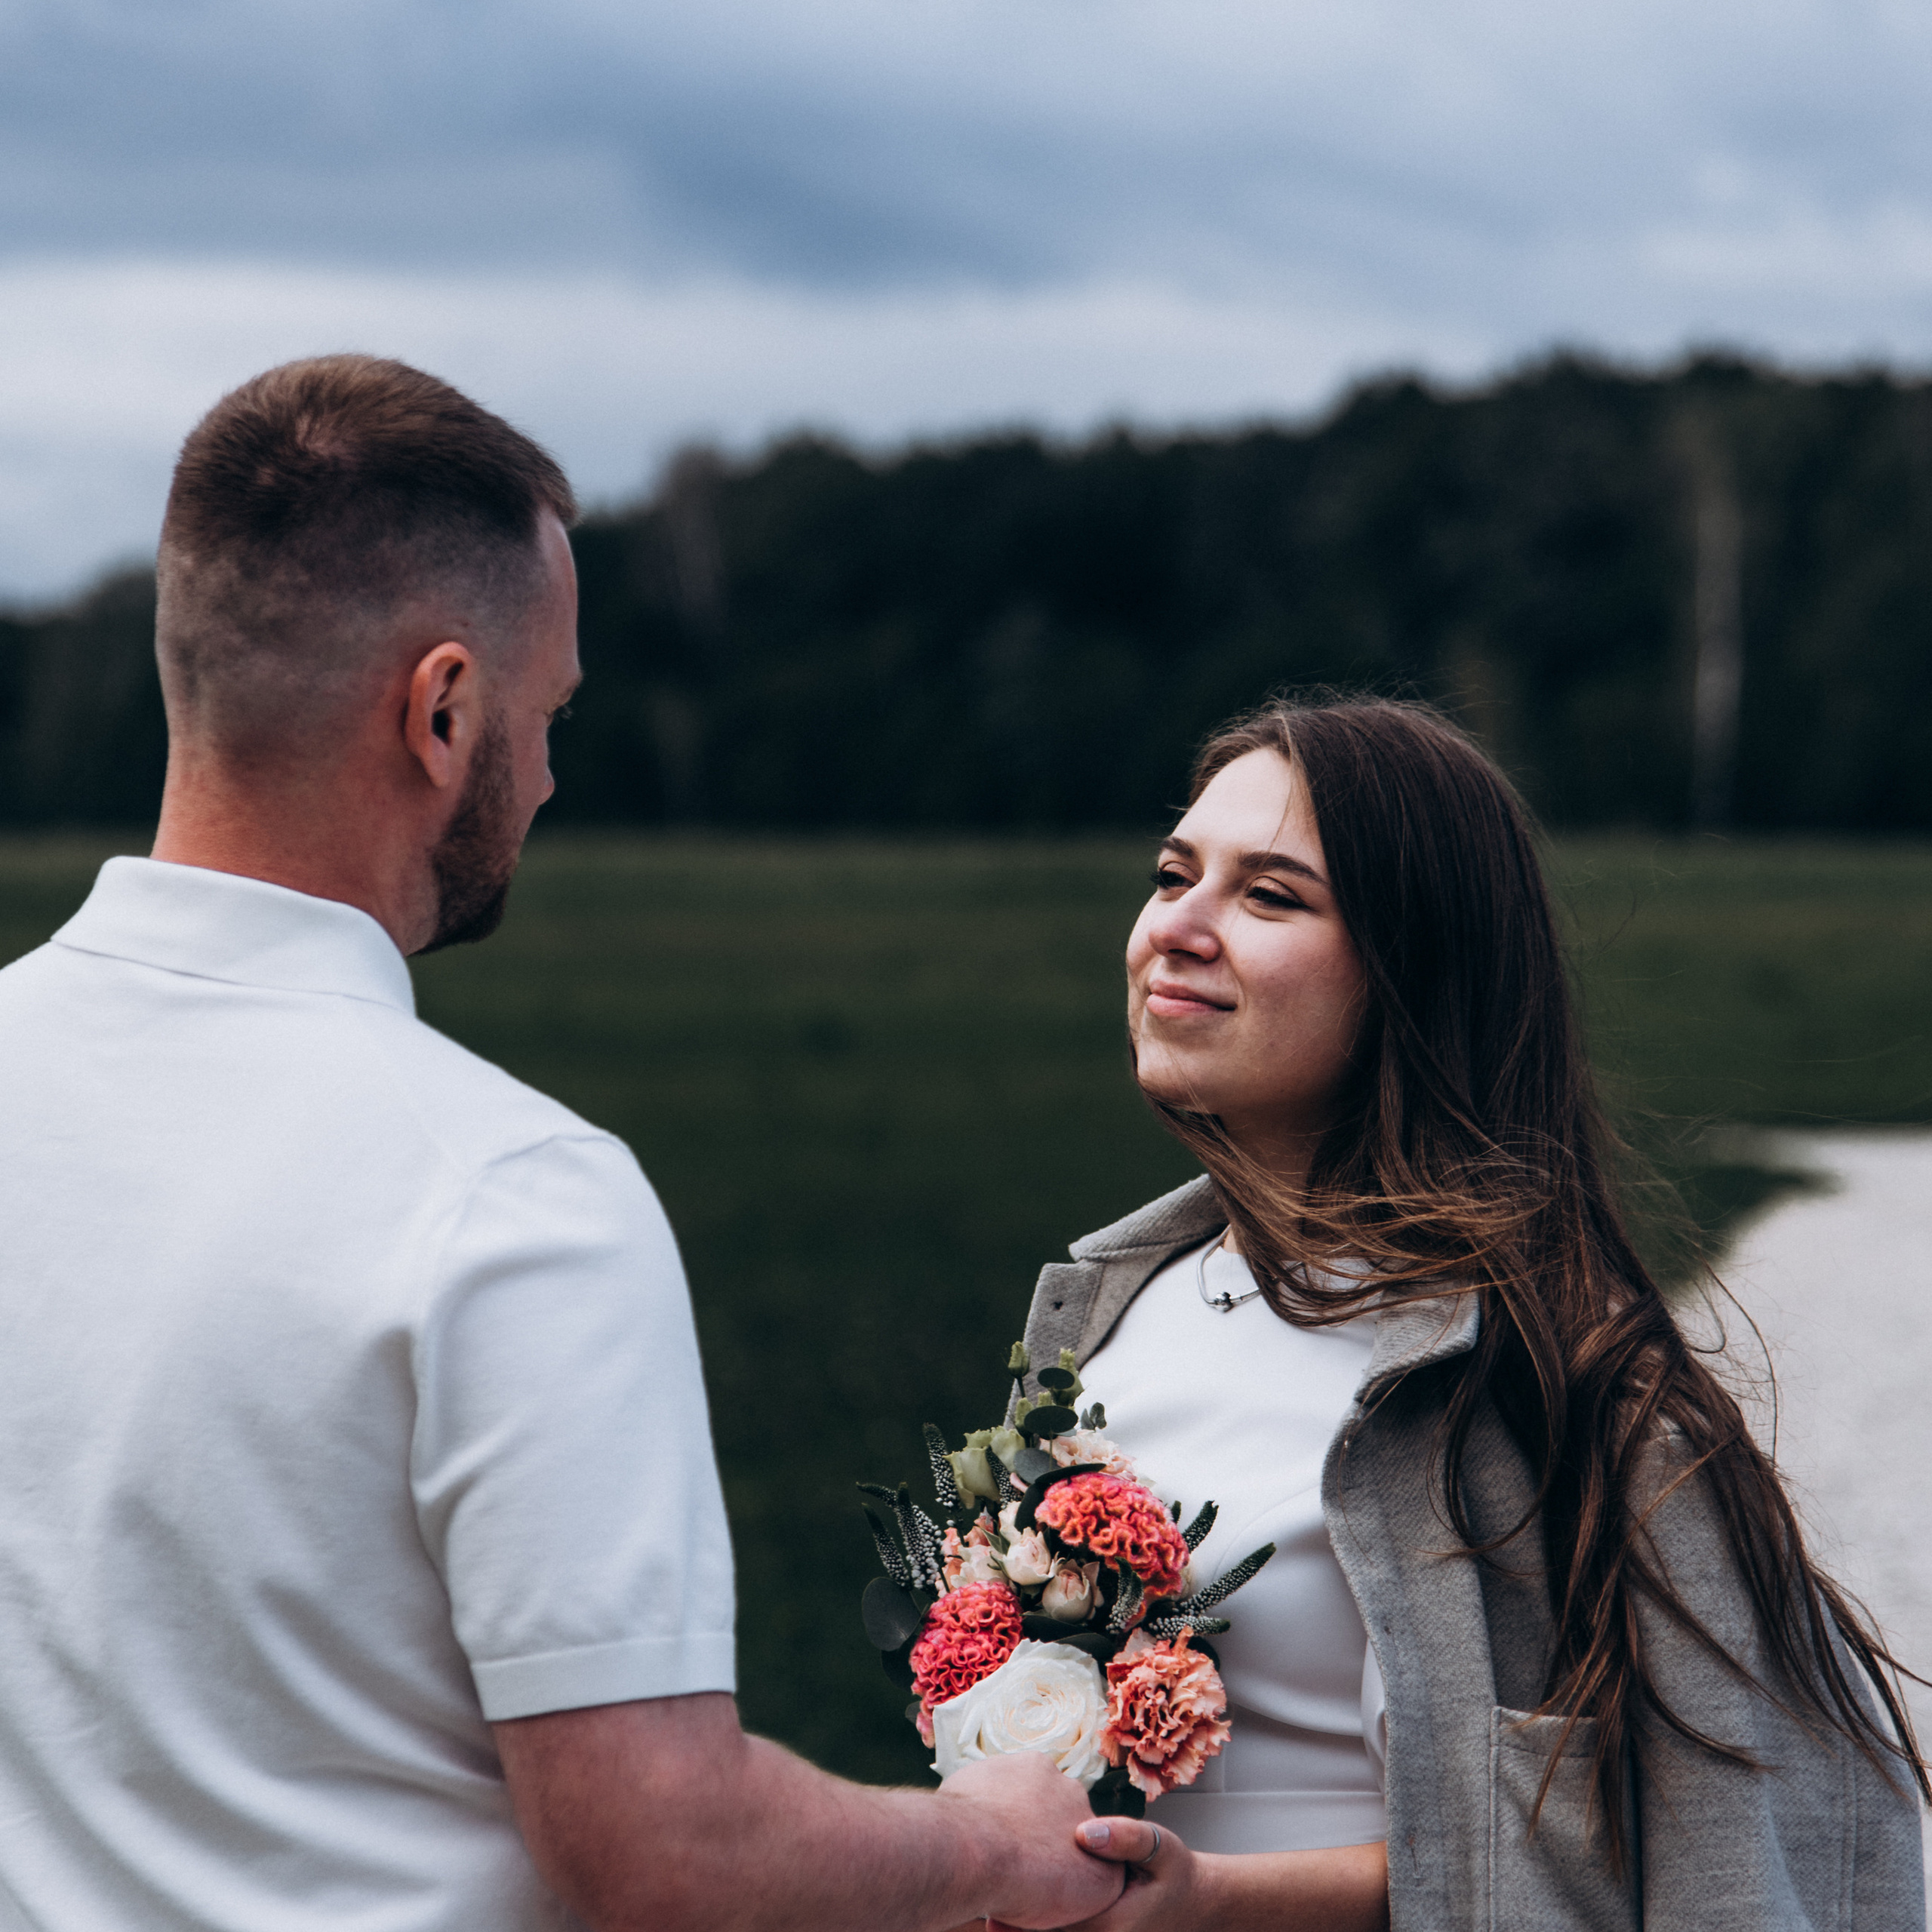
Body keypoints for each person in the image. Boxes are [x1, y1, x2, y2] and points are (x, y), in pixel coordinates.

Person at [0, 355, 1124, 1932]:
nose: (546, 773)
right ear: (443, 709)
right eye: (545, 713)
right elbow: (665, 1848)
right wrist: (998, 1845)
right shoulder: (506, 1195)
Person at [1003, 696, 1927, 1929]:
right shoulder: (1100, 1323)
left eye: (1270, 897)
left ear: (1415, 973)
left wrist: (1215, 1903)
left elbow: (1709, 1866)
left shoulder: (1568, 1389)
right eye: (1176, 875)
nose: (1181, 926)